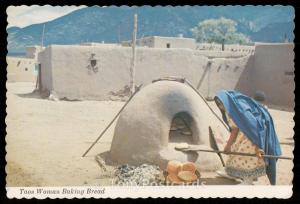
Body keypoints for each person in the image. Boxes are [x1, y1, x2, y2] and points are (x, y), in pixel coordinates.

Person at [214, 90, 282, 185]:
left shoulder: (232, 111)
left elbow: (235, 130)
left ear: (225, 102)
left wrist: (228, 146)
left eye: (220, 104)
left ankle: (248, 180)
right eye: (218, 104)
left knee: (246, 158)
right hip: (248, 134)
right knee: (236, 153)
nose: (220, 106)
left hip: (251, 137)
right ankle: (232, 173)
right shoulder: (237, 106)